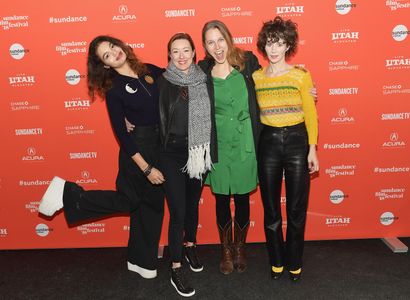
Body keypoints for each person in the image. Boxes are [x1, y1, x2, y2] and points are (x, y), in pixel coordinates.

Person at [38, 35, 165, 279]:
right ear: (105, 65)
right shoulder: (115, 89)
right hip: (137, 151)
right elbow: (121, 134)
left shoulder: (149, 70)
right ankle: (68, 193)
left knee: (151, 206)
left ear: (122, 45)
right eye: (106, 55)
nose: (114, 53)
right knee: (130, 201)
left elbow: (175, 75)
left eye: (113, 47)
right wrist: (146, 168)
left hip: (159, 144)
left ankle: (141, 261)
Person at [253, 16, 319, 281]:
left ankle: (294, 261)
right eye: (270, 42)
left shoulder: (301, 75)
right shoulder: (256, 77)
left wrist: (312, 149)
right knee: (270, 208)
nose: (274, 48)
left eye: (280, 43)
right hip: (267, 143)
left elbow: (312, 115)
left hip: (296, 141)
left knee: (295, 209)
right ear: (263, 45)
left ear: (288, 45)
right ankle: (276, 261)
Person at [198, 20, 261, 275]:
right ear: (205, 46)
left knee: (243, 197)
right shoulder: (202, 70)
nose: (217, 46)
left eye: (220, 39)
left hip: (246, 141)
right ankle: (225, 249)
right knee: (222, 198)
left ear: (228, 38)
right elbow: (168, 79)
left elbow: (269, 83)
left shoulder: (248, 61)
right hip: (218, 143)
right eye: (211, 42)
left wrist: (300, 89)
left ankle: (240, 248)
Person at [159, 32, 212, 297]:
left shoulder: (205, 79)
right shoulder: (162, 82)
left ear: (194, 53)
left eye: (185, 50)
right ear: (169, 55)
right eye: (175, 51)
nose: (181, 56)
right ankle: (176, 266)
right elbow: (147, 114)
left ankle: (190, 245)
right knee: (178, 211)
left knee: (192, 205)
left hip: (198, 152)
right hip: (171, 154)